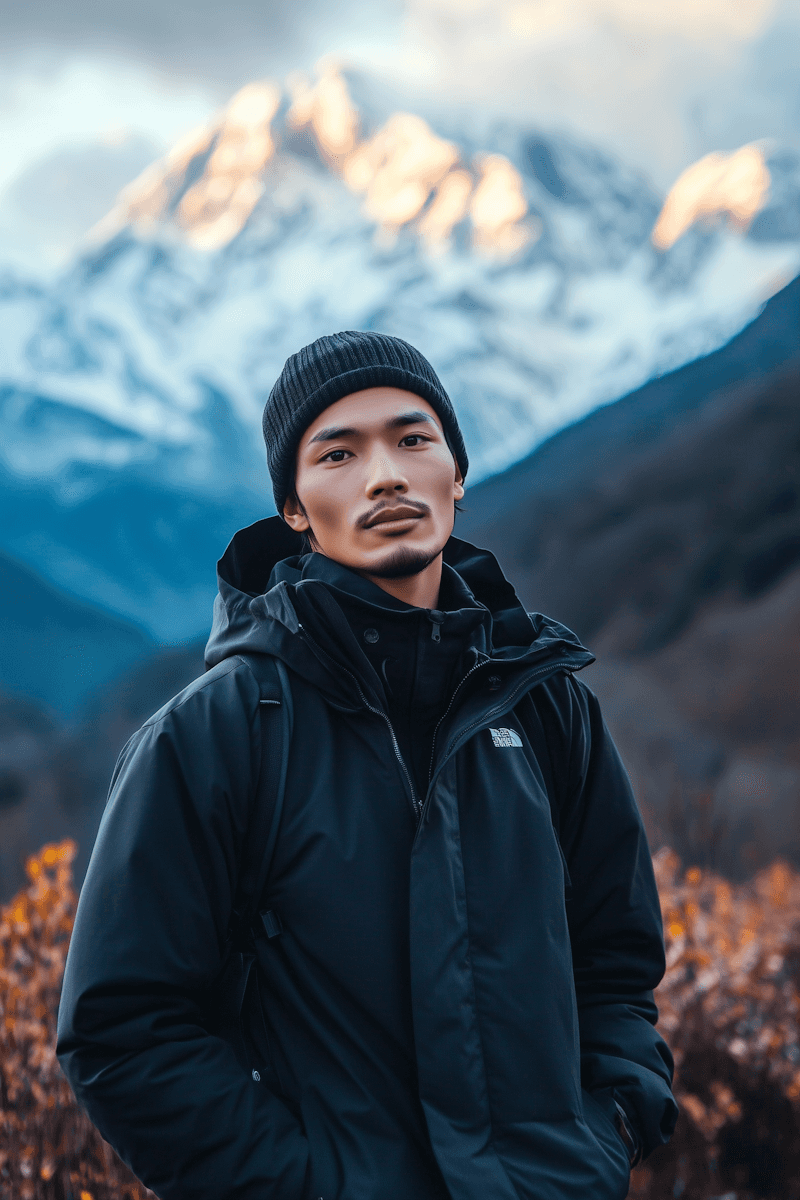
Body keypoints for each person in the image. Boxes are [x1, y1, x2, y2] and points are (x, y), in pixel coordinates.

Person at [57, 331, 677, 1200]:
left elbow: (614, 963)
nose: (384, 474)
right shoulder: (211, 735)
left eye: (412, 438)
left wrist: (601, 1135)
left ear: (455, 475)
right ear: (295, 510)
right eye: (338, 454)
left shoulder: (546, 708)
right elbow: (121, 1028)